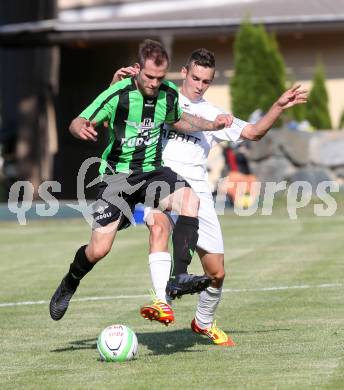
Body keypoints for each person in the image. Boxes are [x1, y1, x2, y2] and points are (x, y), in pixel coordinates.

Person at [111, 48, 307, 345]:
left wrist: (278, 106)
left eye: (206, 81)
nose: (199, 85)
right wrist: (119, 82)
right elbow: (124, 105)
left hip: (198, 190)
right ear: (185, 73)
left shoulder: (215, 114)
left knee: (216, 273)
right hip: (159, 181)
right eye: (196, 78)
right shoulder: (161, 97)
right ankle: (163, 301)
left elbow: (253, 132)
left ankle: (202, 322)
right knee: (158, 226)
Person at [49, 40, 233, 321]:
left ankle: (179, 277)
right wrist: (80, 129)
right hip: (117, 179)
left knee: (190, 200)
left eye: (160, 78)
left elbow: (178, 120)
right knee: (99, 249)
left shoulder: (168, 94)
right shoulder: (118, 94)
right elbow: (78, 120)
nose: (154, 83)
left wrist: (212, 124)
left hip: (151, 173)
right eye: (149, 77)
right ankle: (70, 281)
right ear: (138, 69)